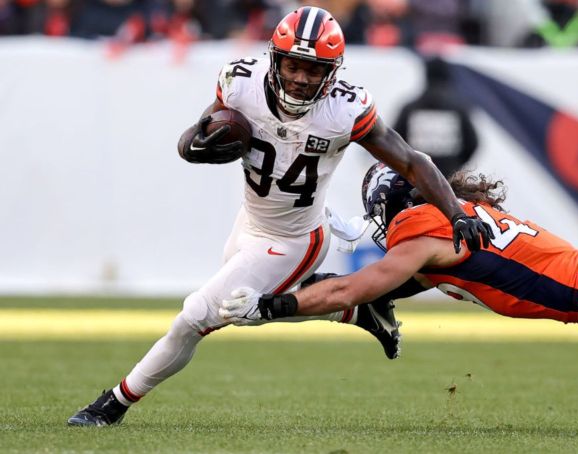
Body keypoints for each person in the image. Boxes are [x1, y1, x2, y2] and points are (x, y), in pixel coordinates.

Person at [66, 6, 492, 427]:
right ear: (276, 57)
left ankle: (111, 405)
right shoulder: (240, 83)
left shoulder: (345, 110)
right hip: (249, 222)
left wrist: (454, 212)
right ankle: (356, 310)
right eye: (294, 65)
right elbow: (198, 132)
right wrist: (193, 145)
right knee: (233, 310)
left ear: (333, 72)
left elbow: (412, 161)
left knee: (196, 315)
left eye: (314, 69)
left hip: (296, 238)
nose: (302, 78)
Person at [221, 162, 578, 434]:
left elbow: (355, 287)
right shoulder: (452, 223)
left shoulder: (418, 223)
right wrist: (307, 292)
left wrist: (270, 307)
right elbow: (368, 295)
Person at [393, 56, 478, 177]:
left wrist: (409, 166)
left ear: (426, 76)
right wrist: (455, 165)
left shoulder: (411, 108)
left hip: (416, 180)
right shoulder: (458, 108)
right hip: (448, 181)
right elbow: (473, 143)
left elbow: (394, 141)